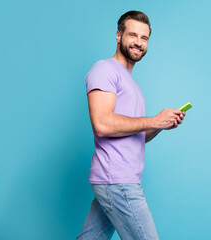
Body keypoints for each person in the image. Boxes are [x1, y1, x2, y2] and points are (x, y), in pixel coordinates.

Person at [76, 10, 186, 240]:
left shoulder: (131, 83)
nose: (138, 42)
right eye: (132, 35)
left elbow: (133, 134)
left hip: (118, 179)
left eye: (144, 38)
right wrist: (154, 119)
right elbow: (102, 124)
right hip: (117, 180)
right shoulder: (104, 69)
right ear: (118, 35)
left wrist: (160, 125)